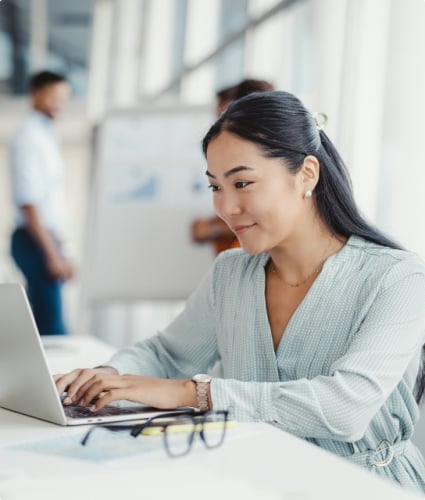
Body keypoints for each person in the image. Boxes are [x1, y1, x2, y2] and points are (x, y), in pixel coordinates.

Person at [55, 91, 425, 494]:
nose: (226, 207)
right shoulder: (231, 273)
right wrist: (105, 378)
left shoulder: (399, 278)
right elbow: (167, 354)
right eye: (215, 186)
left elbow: (346, 407)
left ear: (307, 174)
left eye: (242, 183)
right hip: (255, 478)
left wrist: (194, 394)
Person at [9, 70, 73, 335]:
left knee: (46, 326)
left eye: (64, 97)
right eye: (53, 96)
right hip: (34, 240)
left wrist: (62, 250)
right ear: (35, 94)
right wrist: (53, 254)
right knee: (52, 330)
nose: (59, 103)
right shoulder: (29, 137)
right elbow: (30, 202)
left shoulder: (46, 135)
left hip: (45, 239)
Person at [191, 78, 274, 255]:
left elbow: (265, 216)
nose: (219, 127)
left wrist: (213, 229)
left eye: (222, 116)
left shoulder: (267, 159)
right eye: (215, 187)